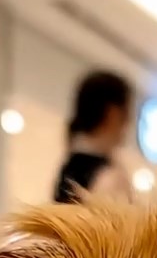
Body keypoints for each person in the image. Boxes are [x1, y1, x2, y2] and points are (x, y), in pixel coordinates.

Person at [53, 70, 133, 204]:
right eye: (127, 113)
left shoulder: (69, 166)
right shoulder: (110, 177)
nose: (129, 122)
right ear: (112, 113)